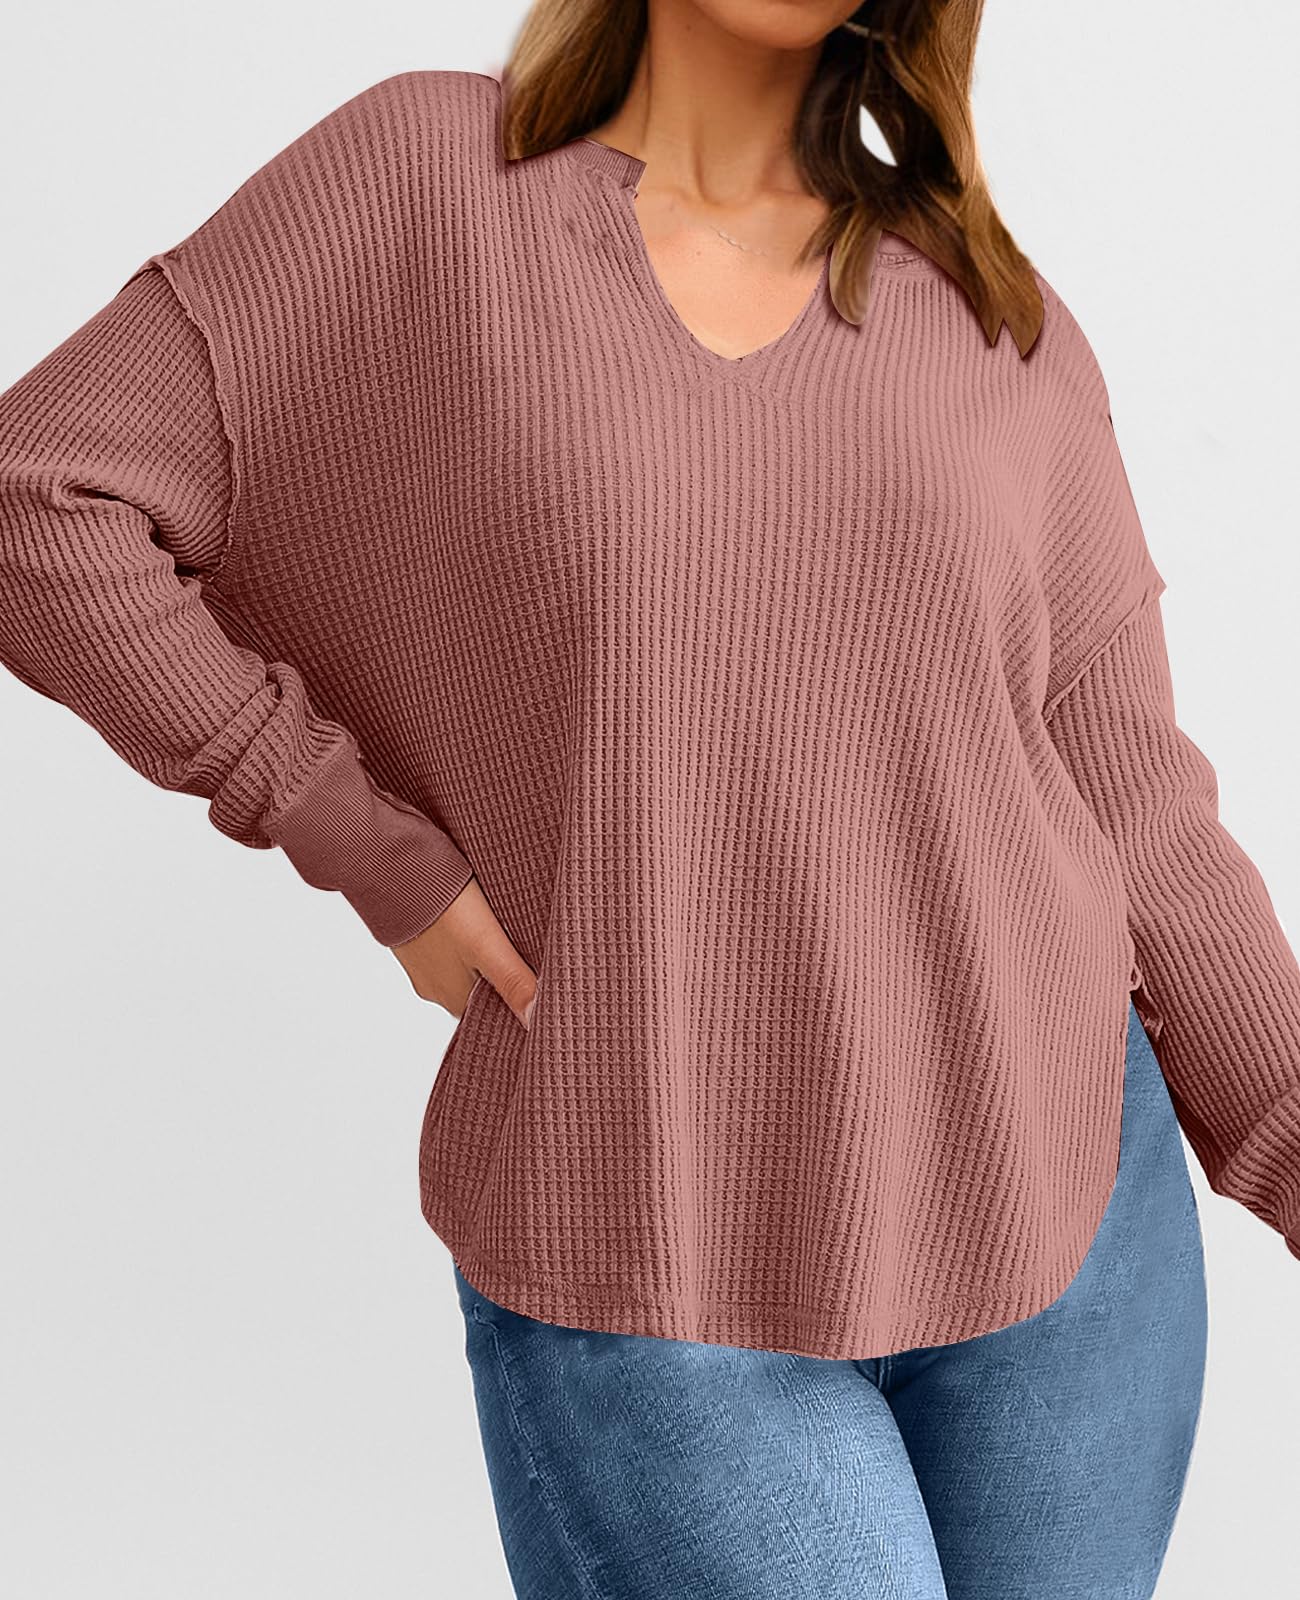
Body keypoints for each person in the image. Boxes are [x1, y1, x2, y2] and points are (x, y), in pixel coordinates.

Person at [1, 1, 1297, 1594]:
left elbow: (1141, 811)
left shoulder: (994, 323)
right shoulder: (426, 186)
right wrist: (367, 848)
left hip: (1066, 1225)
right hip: (644, 1224)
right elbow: (41, 495)